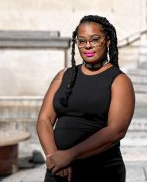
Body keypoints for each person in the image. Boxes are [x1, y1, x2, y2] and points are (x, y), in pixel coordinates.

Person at [37, 15, 135, 182]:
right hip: (59, 170)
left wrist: (69, 155)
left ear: (108, 41)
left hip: (100, 170)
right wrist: (54, 157)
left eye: (95, 39)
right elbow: (44, 119)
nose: (87, 46)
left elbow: (116, 130)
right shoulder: (64, 75)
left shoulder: (119, 80)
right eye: (81, 41)